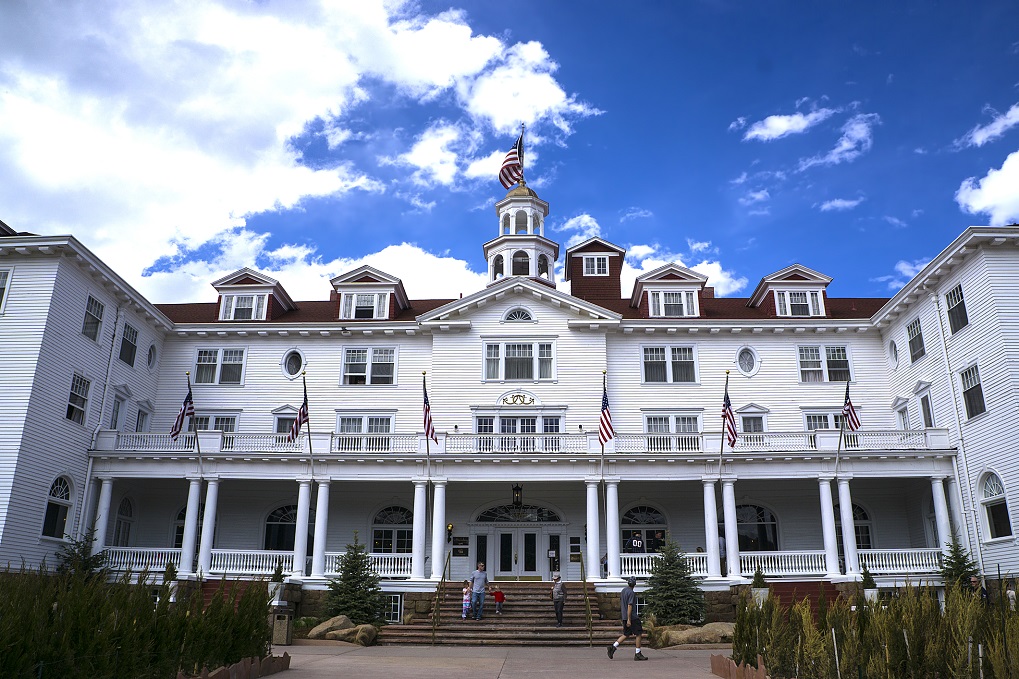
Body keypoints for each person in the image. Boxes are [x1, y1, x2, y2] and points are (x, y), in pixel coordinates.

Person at [607, 576, 647, 661]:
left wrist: (625, 617)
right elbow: (629, 605)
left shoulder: (623, 591)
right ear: (634, 584)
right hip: (632, 617)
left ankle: (613, 647)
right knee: (639, 633)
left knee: (626, 634)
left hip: (624, 616)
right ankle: (637, 653)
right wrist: (629, 619)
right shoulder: (631, 593)